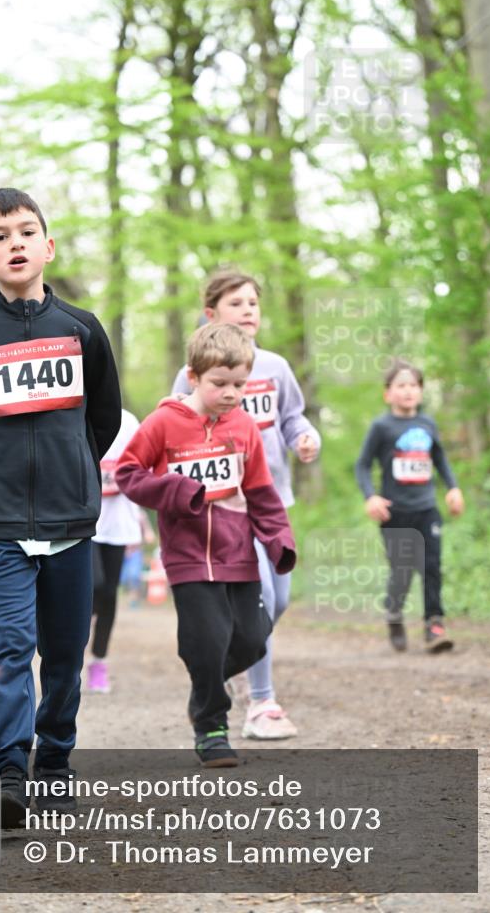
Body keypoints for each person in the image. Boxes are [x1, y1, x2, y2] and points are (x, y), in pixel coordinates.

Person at [0, 187, 121, 827]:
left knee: (67, 651)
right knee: (11, 644)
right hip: (0, 522)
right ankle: (10, 766)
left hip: (73, 520)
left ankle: (56, 760)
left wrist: (73, 468)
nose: (14, 243)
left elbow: (102, 416)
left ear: (48, 246)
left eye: (25, 231)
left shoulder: (82, 329)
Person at [117, 322, 296, 768]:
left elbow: (261, 492)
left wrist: (278, 540)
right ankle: (212, 728)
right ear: (193, 377)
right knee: (207, 640)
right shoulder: (163, 423)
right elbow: (128, 474)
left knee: (254, 639)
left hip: (238, 555)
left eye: (240, 384)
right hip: (188, 556)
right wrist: (177, 491)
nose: (232, 393)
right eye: (220, 384)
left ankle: (205, 680)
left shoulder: (245, 428)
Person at [172, 270, 319, 740]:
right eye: (237, 303)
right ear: (212, 315)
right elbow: (177, 429)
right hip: (226, 508)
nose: (249, 310)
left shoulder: (275, 367)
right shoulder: (192, 373)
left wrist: (304, 438)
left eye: (254, 302)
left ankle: (231, 660)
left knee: (280, 599)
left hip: (273, 503)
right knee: (265, 598)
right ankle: (262, 702)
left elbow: (292, 418)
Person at [355, 359, 464, 653]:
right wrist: (370, 496)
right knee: (401, 571)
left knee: (431, 566)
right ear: (387, 393)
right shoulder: (381, 426)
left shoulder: (427, 423)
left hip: (427, 508)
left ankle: (434, 624)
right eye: (401, 385)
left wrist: (452, 487)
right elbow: (363, 465)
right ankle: (394, 614)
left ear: (421, 391)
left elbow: (439, 458)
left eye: (413, 385)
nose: (408, 391)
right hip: (395, 511)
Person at [87, 408, 142, 693]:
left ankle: (99, 662)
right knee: (92, 586)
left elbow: (141, 468)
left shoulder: (130, 421)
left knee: (109, 594)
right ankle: (71, 650)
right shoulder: (79, 413)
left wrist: (141, 521)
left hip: (119, 523)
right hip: (86, 522)